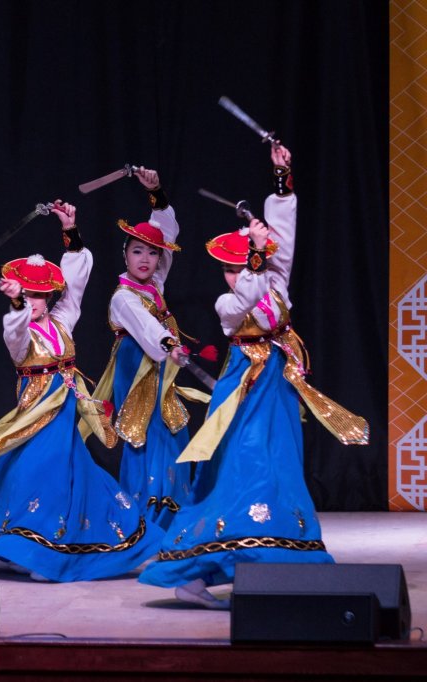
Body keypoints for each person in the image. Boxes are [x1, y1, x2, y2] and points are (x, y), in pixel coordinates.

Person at [138, 144, 369, 608]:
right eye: (226, 267)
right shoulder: (229, 302)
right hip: (243, 387)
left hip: (276, 386)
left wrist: (281, 180)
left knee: (279, 467)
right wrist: (256, 256)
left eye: (236, 265)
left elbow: (282, 243)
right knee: (246, 468)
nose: (231, 274)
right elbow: (247, 294)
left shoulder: (273, 281)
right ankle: (200, 572)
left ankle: (274, 565)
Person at [0, 200, 161, 582]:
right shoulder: (20, 333)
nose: (34, 302)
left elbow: (75, 290)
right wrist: (17, 302)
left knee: (69, 476)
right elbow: (14, 330)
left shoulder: (61, 322)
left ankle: (50, 550)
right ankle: (23, 549)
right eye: (28, 295)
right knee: (32, 474)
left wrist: (70, 231)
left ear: (50, 297)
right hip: (35, 415)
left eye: (39, 295)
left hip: (65, 413)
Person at [92, 169, 208, 531]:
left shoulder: (154, 283)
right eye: (137, 251)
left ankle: (172, 510)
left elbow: (166, 232)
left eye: (152, 254)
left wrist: (156, 191)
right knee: (143, 431)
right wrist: (170, 344)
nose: (145, 259)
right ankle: (143, 513)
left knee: (171, 427)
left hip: (159, 365)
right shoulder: (124, 296)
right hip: (136, 367)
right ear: (125, 255)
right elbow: (145, 326)